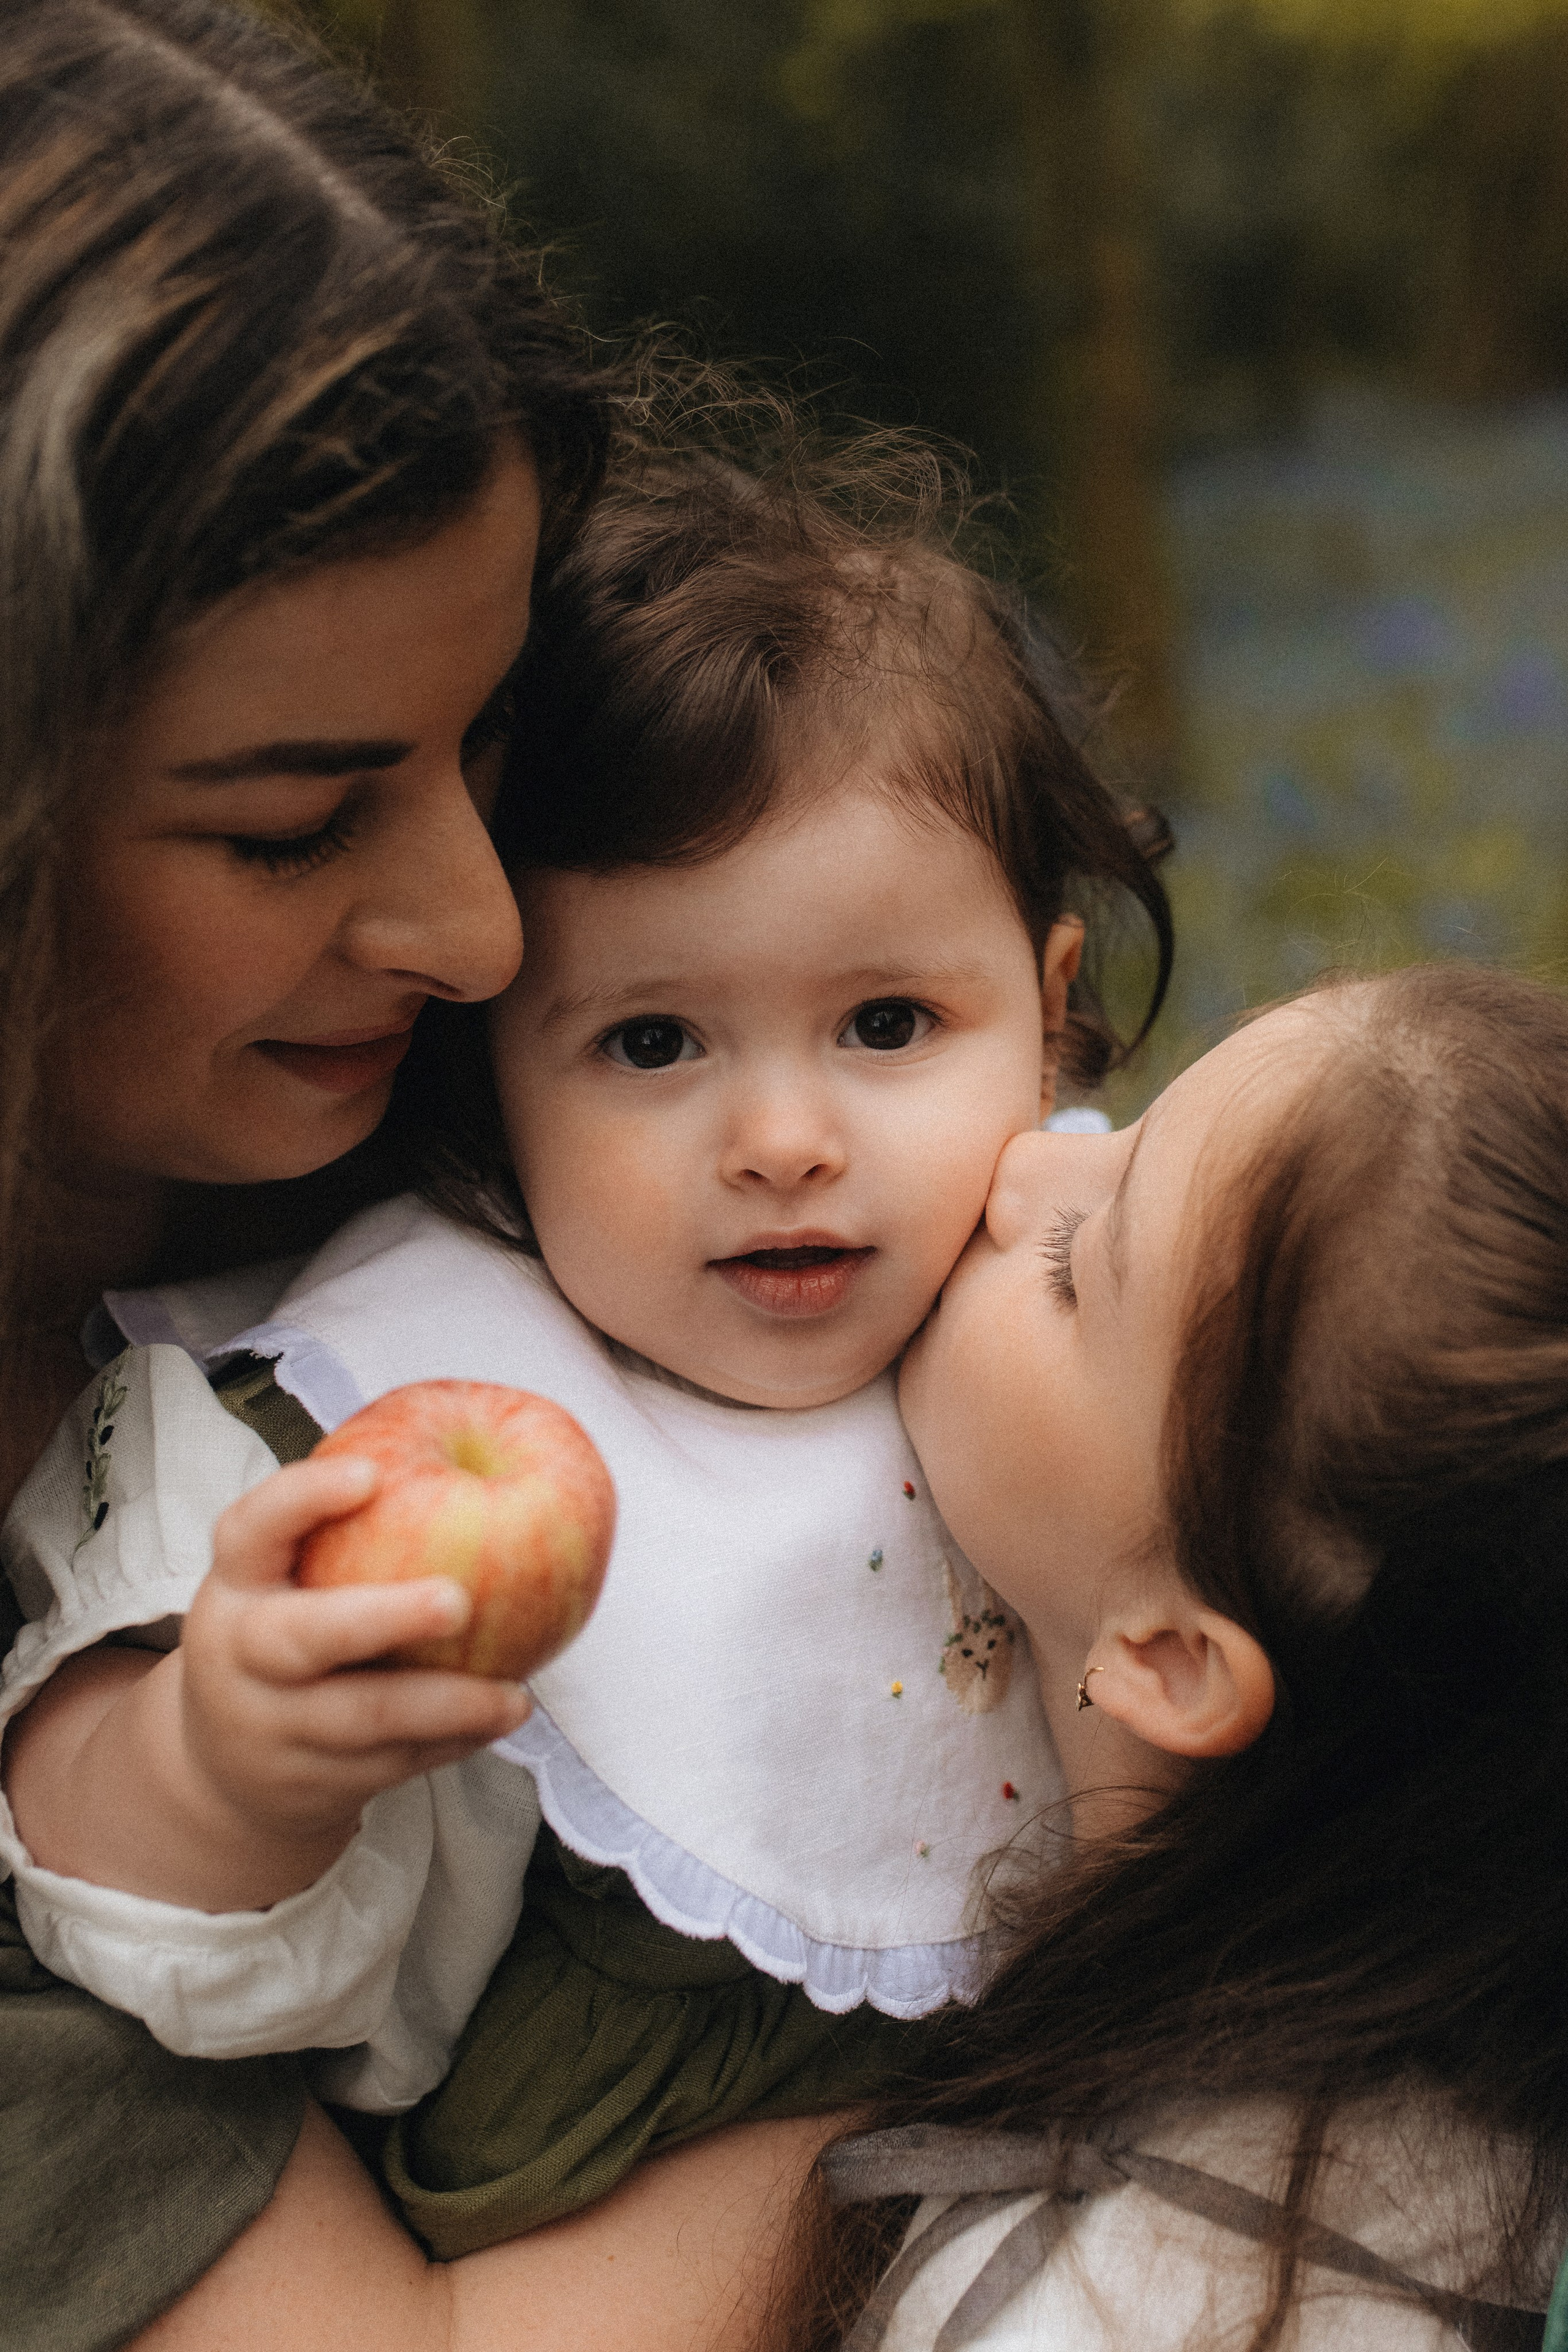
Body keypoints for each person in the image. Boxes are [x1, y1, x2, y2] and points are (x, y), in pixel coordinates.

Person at [1, 448, 1174, 2268]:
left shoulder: (1123, 1269)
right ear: (489, 1072)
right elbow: (97, 1880)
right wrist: (223, 1765)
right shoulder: (392, 1401)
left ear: (1047, 1011)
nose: (784, 1137)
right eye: (648, 1043)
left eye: (888, 1022)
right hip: (595, 2228)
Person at [0, 5, 829, 2348]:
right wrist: (997, 2025)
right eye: (286, 824)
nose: (479, 931)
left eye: (485, 741)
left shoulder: (532, 1097)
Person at [772, 960, 1568, 2351]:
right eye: (1118, 1128)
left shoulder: (1109, 2307)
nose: (1019, 1170)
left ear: (1171, 1661)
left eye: (1079, 1269)